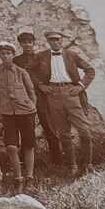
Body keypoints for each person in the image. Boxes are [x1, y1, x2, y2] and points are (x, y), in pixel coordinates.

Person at [34, 30, 98, 176]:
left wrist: (80, 86)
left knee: (85, 131)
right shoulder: (41, 56)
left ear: (61, 41)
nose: (55, 42)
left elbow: (90, 70)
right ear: (48, 41)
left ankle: (88, 164)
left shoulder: (71, 55)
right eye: (51, 40)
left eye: (57, 40)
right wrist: (40, 85)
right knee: (64, 133)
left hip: (71, 93)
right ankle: (72, 166)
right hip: (53, 95)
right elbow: (29, 71)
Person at [0, 41, 38, 192]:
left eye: (8, 53)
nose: (5, 56)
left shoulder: (21, 71)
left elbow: (31, 93)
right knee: (11, 147)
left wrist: (32, 108)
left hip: (26, 112)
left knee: (28, 145)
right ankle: (18, 179)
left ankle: (29, 178)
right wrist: (0, 109)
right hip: (8, 113)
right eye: (2, 54)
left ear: (13, 55)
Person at [13, 31, 61, 167]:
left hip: (42, 97)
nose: (27, 45)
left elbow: (48, 75)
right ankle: (24, 162)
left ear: (34, 43)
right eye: (24, 42)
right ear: (20, 44)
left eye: (30, 42)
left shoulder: (42, 57)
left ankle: (57, 161)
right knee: (25, 130)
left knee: (49, 127)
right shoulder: (16, 61)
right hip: (24, 98)